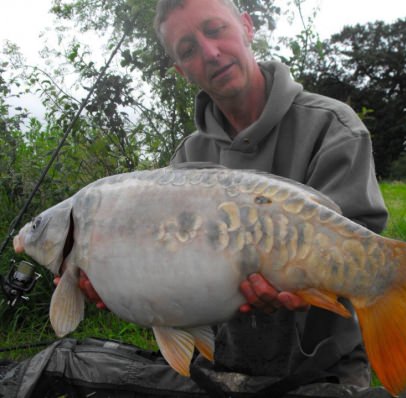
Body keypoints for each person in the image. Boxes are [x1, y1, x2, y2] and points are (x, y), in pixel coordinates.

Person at [71, 0, 388, 389]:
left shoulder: (333, 127)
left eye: (215, 29)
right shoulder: (187, 159)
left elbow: (358, 234)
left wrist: (306, 283)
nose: (210, 52)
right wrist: (116, 279)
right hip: (228, 359)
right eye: (187, 50)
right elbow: (174, 275)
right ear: (180, 70)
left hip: (325, 362)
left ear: (247, 27)